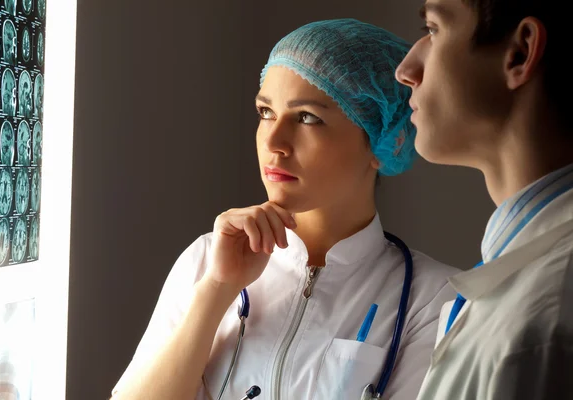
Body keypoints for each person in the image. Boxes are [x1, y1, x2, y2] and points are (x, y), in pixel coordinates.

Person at [111, 19, 459, 400]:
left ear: (383, 140)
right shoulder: (206, 260)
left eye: (307, 117)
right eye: (265, 112)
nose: (273, 141)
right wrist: (216, 291)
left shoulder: (432, 300)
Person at [395, 1, 573, 399]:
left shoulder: (543, 324)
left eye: (434, 28)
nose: (405, 71)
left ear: (520, 53)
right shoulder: (525, 282)